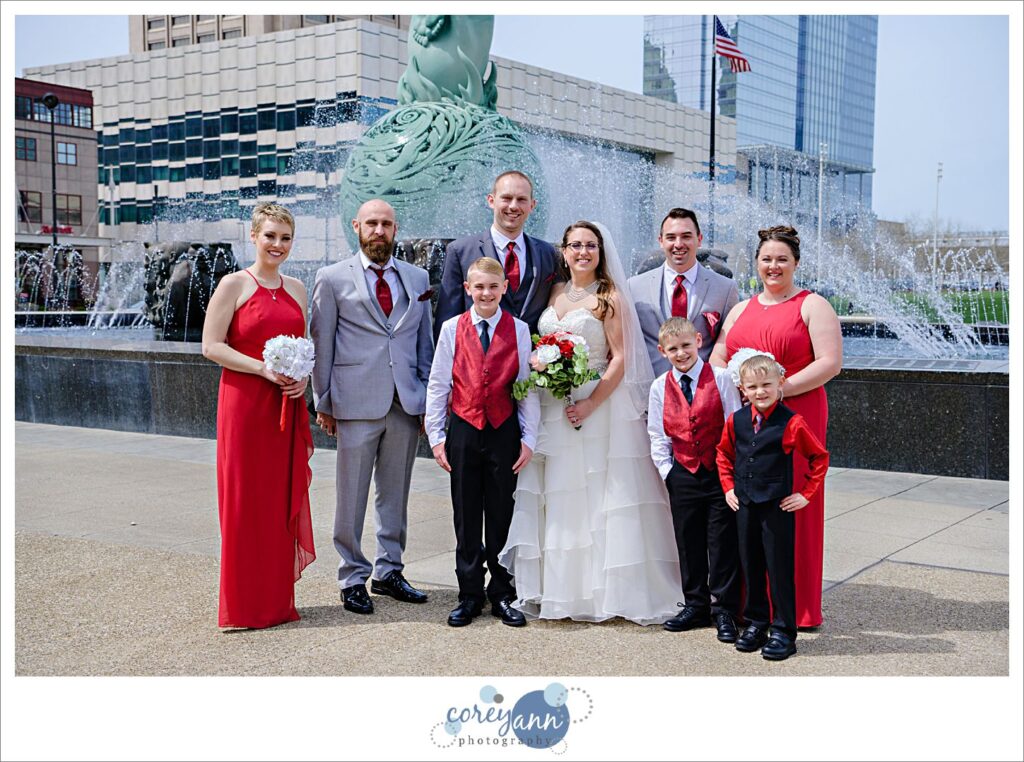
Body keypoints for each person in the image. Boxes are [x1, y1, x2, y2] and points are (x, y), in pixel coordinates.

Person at [498, 221, 681, 625]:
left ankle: (600, 593)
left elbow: (619, 358)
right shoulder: (554, 292)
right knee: (557, 499)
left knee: (597, 498)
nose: (583, 252)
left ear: (600, 251)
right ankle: (558, 590)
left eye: (591, 246)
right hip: (552, 407)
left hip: (596, 409)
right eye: (575, 245)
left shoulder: (609, 296)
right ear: (563, 251)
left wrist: (591, 404)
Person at [710, 225, 842, 629]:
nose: (773, 266)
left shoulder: (812, 305)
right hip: (749, 421)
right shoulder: (740, 309)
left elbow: (829, 363)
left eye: (782, 259)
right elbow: (719, 353)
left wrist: (776, 392)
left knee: (790, 504)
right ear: (756, 263)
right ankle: (754, 607)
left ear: (796, 263)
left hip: (795, 417)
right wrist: (735, 387)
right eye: (766, 259)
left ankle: (794, 608)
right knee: (751, 506)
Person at [309, 199, 434, 615]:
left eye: (387, 224)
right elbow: (321, 342)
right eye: (372, 224)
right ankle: (352, 575)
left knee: (395, 494)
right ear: (357, 227)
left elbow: (424, 344)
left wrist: (426, 402)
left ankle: (389, 570)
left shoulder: (417, 278)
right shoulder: (330, 278)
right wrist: (322, 400)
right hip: (354, 401)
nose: (379, 231)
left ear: (396, 229)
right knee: (352, 495)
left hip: (404, 402)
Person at [201, 202, 316, 629]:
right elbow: (211, 346)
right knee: (244, 501)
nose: (278, 245)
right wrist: (262, 369)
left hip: (285, 404)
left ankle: (276, 603)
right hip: (245, 405)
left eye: (285, 238)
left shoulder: (299, 288)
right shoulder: (233, 283)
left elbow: (302, 348)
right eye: (270, 236)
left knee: (276, 500)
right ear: (253, 236)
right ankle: (244, 607)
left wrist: (301, 379)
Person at [426, 257, 541, 628]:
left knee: (502, 514)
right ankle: (469, 594)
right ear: (468, 289)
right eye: (479, 287)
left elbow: (526, 390)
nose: (486, 293)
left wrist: (529, 439)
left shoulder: (520, 330)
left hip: (504, 430)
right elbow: (439, 383)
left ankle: (503, 593)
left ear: (504, 288)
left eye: (493, 286)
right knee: (466, 513)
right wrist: (437, 436)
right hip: (463, 427)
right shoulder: (451, 328)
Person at [716, 354, 829, 660]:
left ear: (780, 384)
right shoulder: (736, 421)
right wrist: (728, 487)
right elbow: (723, 454)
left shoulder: (792, 423)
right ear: (743, 389)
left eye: (766, 385)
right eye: (752, 387)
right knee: (750, 565)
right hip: (745, 506)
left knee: (779, 569)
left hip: (776, 508)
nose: (760, 392)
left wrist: (805, 494)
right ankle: (756, 623)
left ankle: (783, 631)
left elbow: (819, 457)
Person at [647, 317, 742, 642]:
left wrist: (731, 471)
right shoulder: (659, 386)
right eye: (673, 349)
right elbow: (657, 434)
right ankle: (695, 605)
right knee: (688, 543)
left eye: (686, 345)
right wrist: (668, 472)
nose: (681, 353)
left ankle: (725, 610)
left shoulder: (722, 377)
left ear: (698, 341)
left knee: (721, 543)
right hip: (682, 474)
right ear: (663, 351)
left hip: (718, 474)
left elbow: (733, 422)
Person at [433, 170, 558, 339]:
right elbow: (447, 317)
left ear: (532, 205)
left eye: (521, 199)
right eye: (506, 198)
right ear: (491, 201)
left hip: (531, 360)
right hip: (477, 359)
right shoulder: (460, 251)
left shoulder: (548, 253)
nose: (513, 206)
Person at [629, 208, 739, 372]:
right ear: (661, 241)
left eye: (686, 236)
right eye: (671, 237)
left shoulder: (725, 289)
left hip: (704, 391)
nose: (678, 244)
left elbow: (729, 346)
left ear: (699, 239)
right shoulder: (634, 287)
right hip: (651, 391)